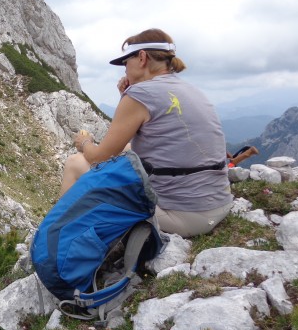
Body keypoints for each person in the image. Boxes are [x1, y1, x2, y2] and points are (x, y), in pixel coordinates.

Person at [61, 28, 233, 237]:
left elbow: (98, 159)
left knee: (75, 163)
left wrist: (84, 142)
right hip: (219, 203)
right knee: (127, 148)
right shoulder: (190, 89)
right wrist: (125, 97)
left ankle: (58, 235)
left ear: (142, 57)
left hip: (182, 216)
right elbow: (152, 139)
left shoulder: (140, 94)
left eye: (126, 62)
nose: (124, 69)